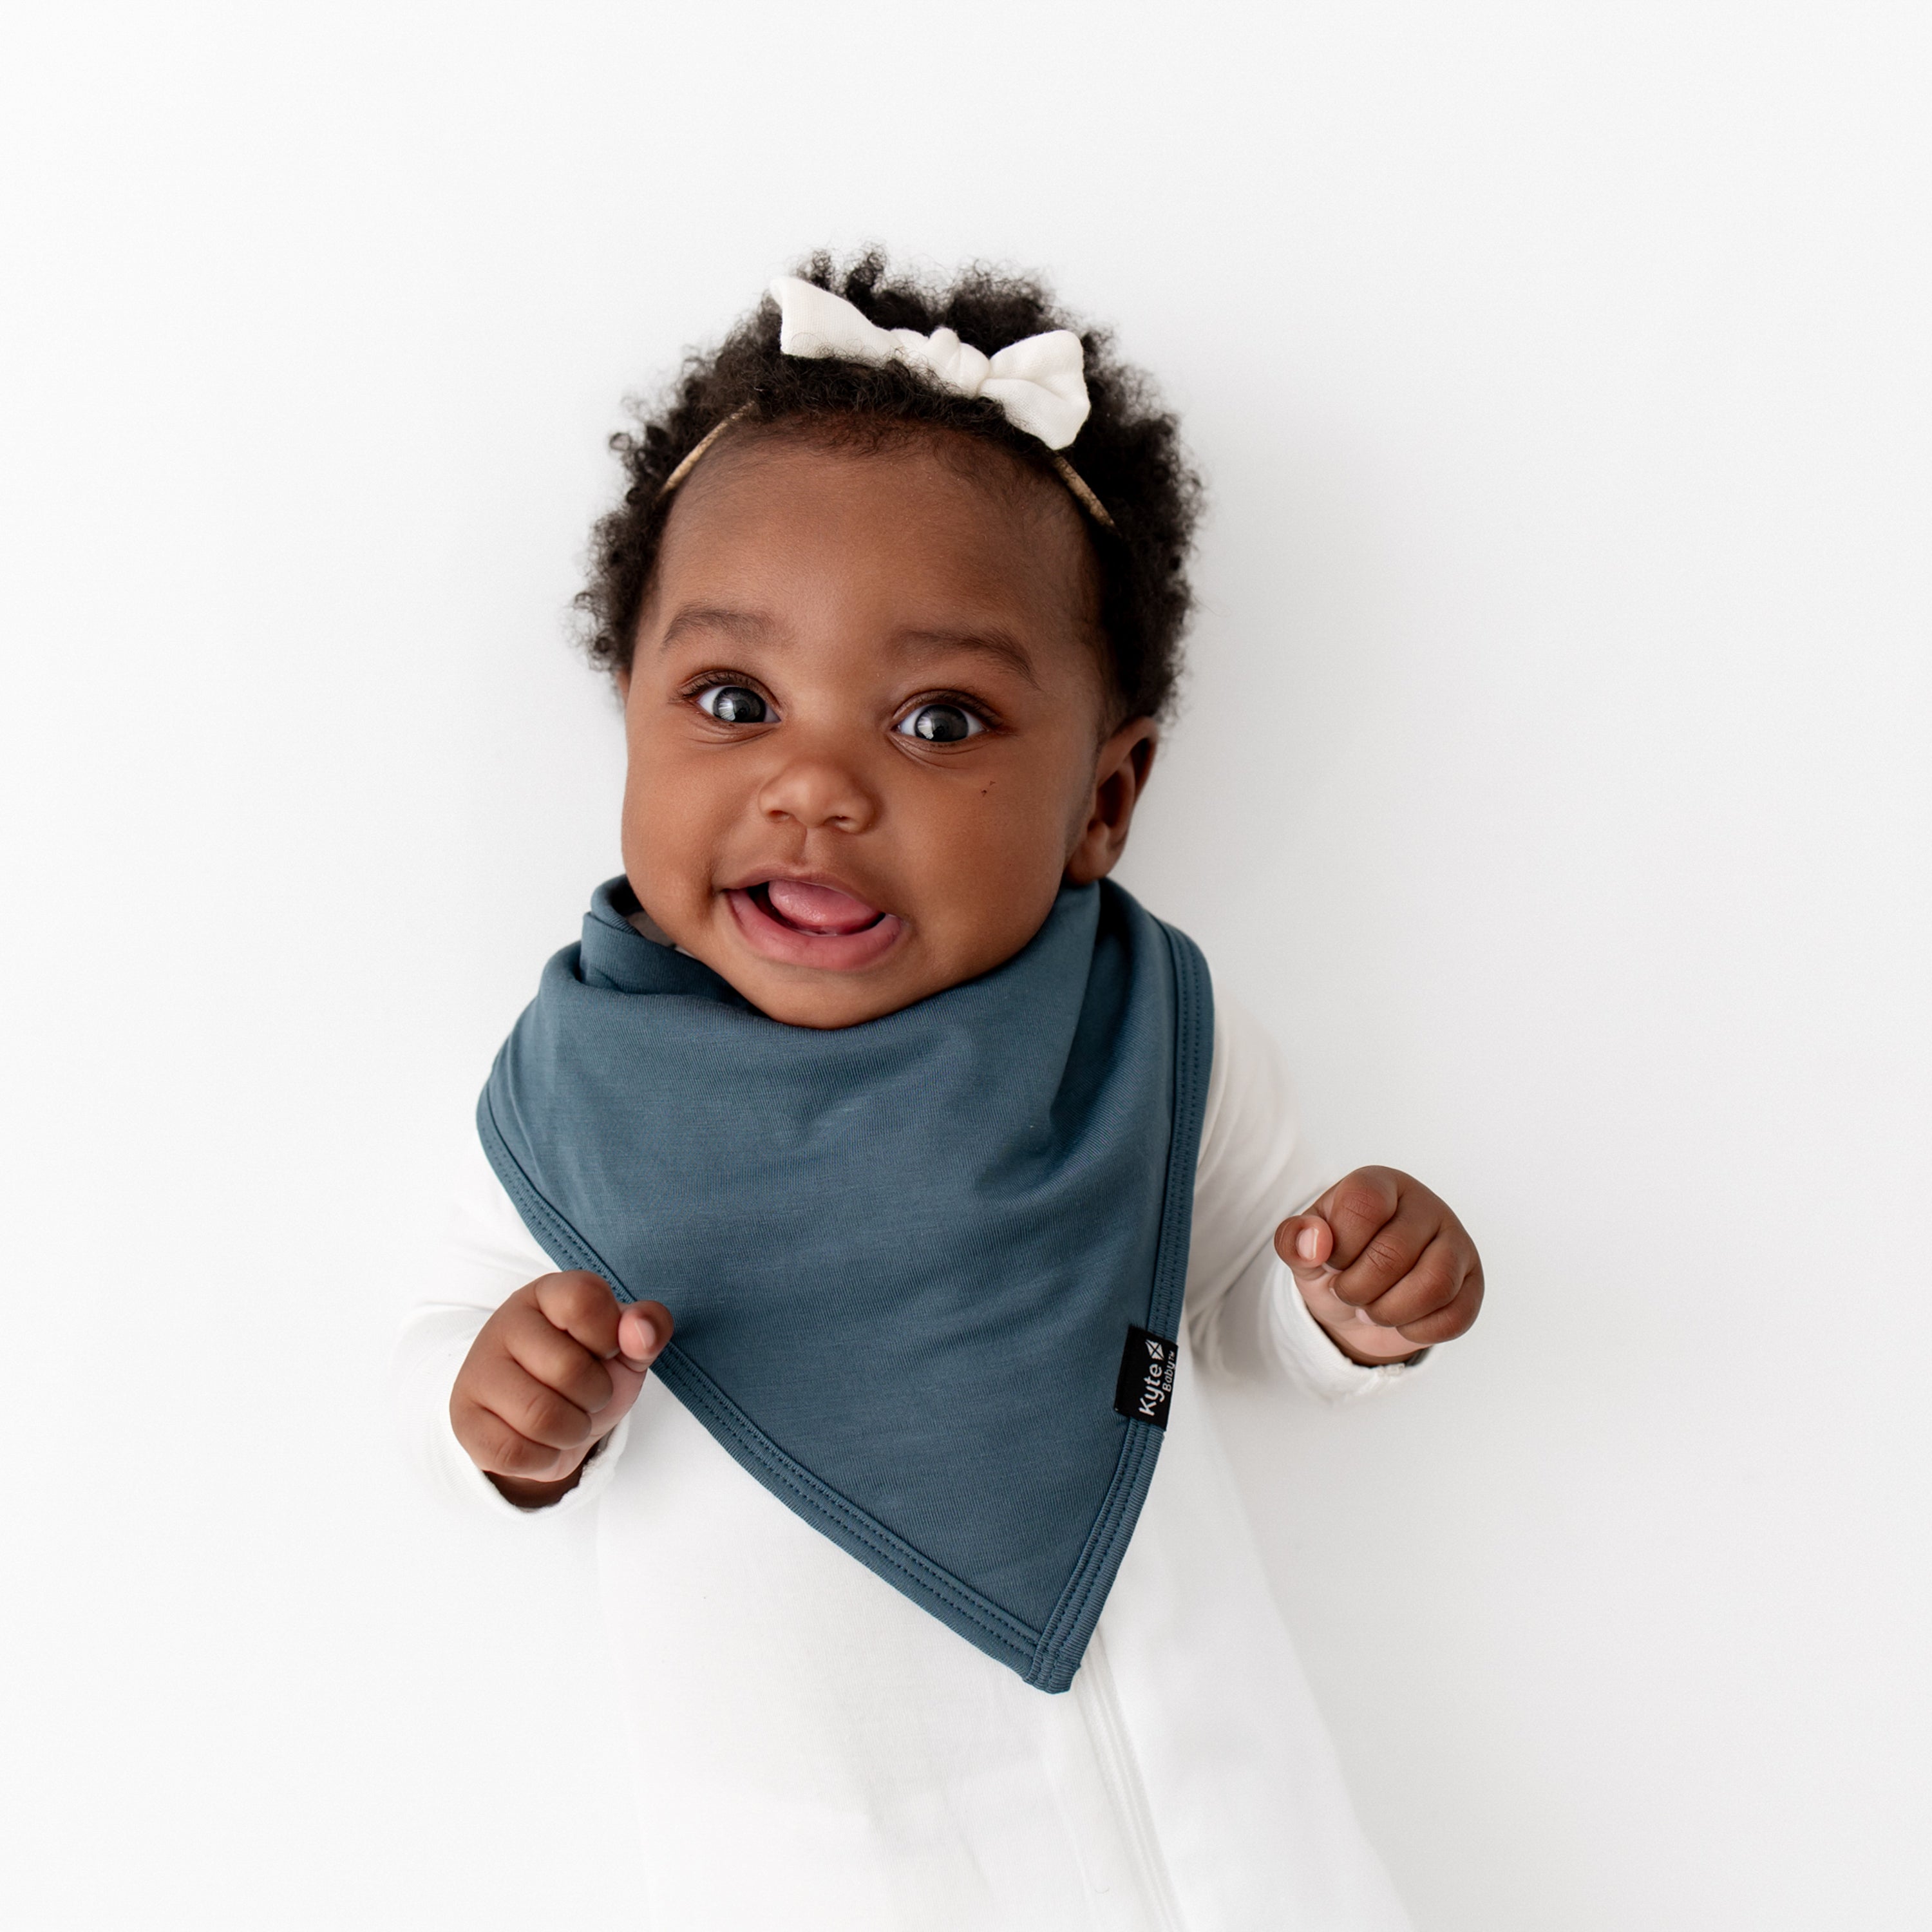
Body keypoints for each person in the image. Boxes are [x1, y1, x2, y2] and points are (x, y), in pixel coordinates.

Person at [393, 252, 1483, 1930]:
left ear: (1105, 799)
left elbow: (1220, 1315)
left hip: (1213, 1827)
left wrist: (1345, 1308)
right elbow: (442, 1341)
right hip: (817, 1863)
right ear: (631, 718)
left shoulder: (1138, 1032)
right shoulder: (577, 1091)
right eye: (735, 701)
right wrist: (501, 1403)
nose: (817, 785)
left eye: (940, 721)